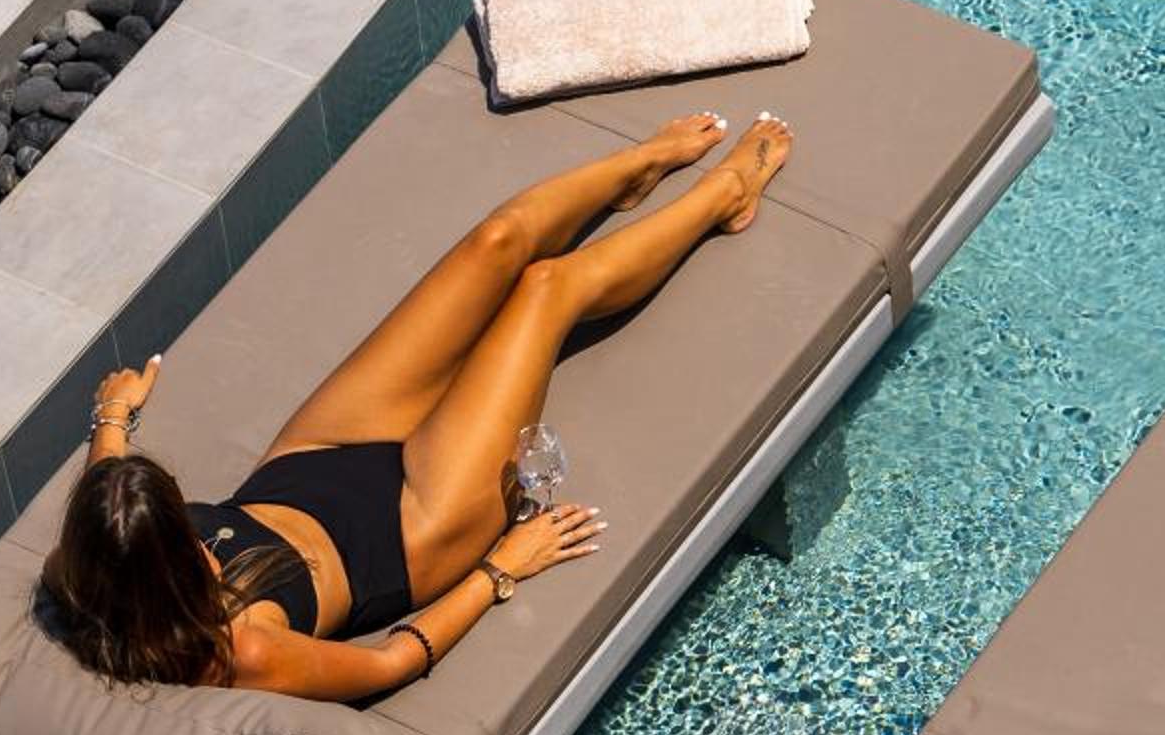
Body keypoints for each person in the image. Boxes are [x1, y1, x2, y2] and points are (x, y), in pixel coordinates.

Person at [38, 110, 793, 700]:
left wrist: (113, 417)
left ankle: (637, 169)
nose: (205, 543)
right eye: (188, 545)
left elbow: (111, 495)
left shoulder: (83, 569)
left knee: (495, 243)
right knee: (544, 291)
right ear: (160, 579)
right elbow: (389, 664)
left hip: (308, 464)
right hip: (415, 529)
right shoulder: (242, 649)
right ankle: (725, 196)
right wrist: (499, 570)